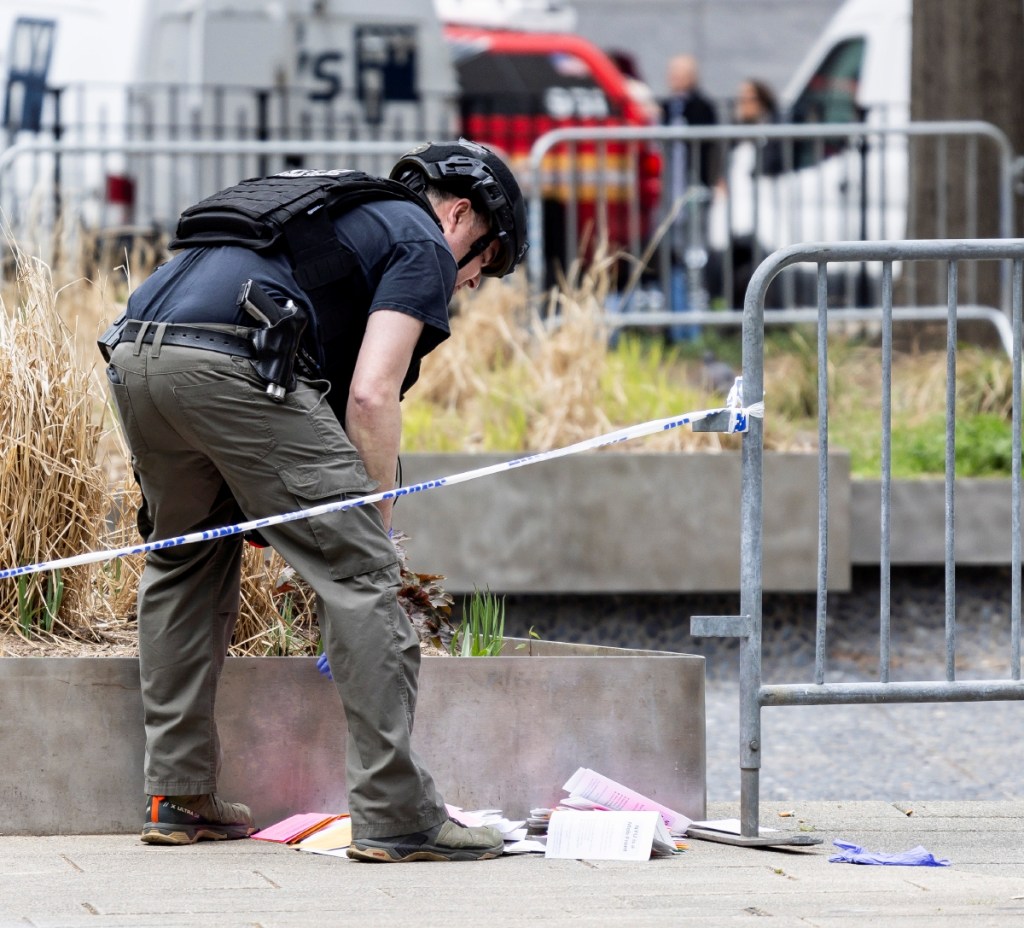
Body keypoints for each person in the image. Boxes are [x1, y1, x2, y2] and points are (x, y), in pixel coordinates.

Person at [99, 139, 528, 862]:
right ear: (460, 215)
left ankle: (179, 795)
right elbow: (370, 393)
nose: (473, 282)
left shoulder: (334, 206)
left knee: (185, 562)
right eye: (485, 262)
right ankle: (399, 815)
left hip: (137, 352)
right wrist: (375, 529)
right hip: (231, 363)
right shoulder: (423, 240)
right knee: (362, 576)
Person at [660, 54, 719, 341]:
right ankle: (676, 323)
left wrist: (713, 180)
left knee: (696, 255)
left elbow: (710, 149)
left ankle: (695, 324)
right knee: (672, 254)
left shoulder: (702, 107)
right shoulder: (667, 107)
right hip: (670, 192)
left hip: (694, 190)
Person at [714, 78, 785, 305]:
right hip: (735, 219)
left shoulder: (773, 135)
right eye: (740, 99)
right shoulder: (734, 138)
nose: (743, 105)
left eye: (749, 99)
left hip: (764, 218)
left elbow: (772, 165)